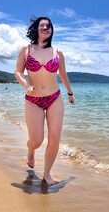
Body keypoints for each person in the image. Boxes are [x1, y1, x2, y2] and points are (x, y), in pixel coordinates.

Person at [14, 16, 75, 185]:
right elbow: (17, 71)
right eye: (42, 25)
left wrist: (70, 93)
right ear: (36, 29)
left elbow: (63, 74)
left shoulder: (57, 52)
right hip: (33, 99)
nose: (46, 28)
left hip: (54, 97)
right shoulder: (26, 49)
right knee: (37, 140)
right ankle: (30, 150)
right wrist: (26, 84)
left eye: (49, 26)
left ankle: (47, 173)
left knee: (55, 137)